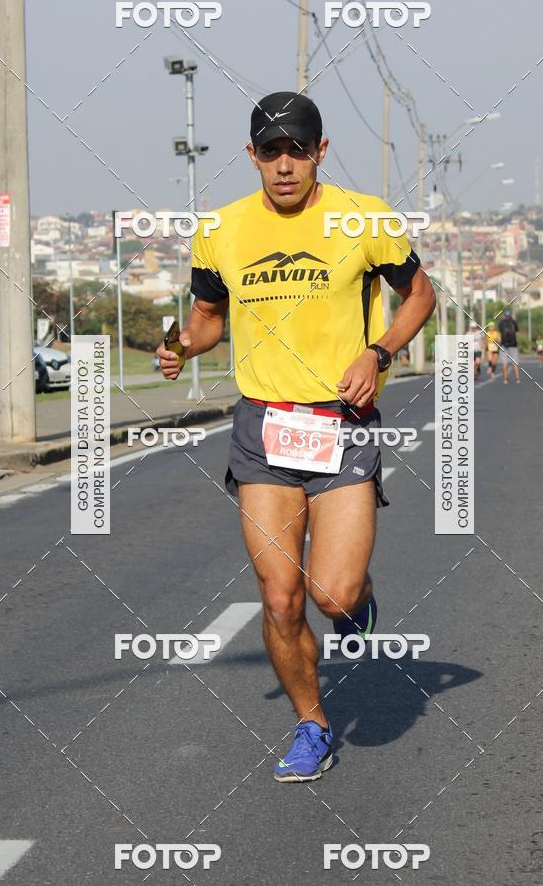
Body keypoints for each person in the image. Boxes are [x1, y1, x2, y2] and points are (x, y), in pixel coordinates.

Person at [157, 92, 435, 783]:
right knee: (280, 596)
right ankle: (312, 725)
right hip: (263, 427)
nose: (285, 165)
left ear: (320, 152)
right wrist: (183, 349)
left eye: (298, 150)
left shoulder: (362, 216)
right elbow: (207, 317)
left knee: (333, 596)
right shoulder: (221, 229)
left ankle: (359, 602)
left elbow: (422, 294)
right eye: (271, 151)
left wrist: (379, 353)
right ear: (252, 154)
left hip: (340, 423)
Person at [498, 308, 520, 384]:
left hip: (503, 345)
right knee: (515, 362)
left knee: (505, 363)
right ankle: (517, 379)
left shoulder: (501, 323)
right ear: (510, 315)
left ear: (504, 315)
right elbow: (517, 330)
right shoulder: (514, 322)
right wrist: (514, 320)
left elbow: (500, 330)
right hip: (513, 345)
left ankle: (505, 380)